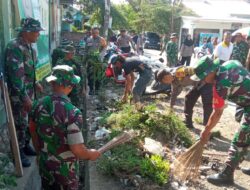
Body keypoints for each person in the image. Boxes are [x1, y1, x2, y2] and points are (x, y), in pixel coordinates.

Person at [29, 65, 100, 190]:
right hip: (65, 174)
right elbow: (77, 149)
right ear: (70, 86)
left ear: (52, 82)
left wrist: (40, 153)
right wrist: (90, 154)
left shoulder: (37, 105)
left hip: (45, 168)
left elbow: (33, 130)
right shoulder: (72, 112)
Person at [190, 56, 250, 185]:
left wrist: (206, 131)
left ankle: (226, 175)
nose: (203, 81)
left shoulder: (220, 85)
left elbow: (217, 113)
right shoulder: (231, 63)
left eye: (203, 77)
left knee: (240, 139)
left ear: (209, 72)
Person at [4, 17, 44, 167]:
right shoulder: (14, 47)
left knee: (27, 121)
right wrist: (24, 97)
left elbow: (30, 70)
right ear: (27, 32)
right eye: (36, 32)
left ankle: (26, 144)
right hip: (18, 94)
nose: (38, 35)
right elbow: (16, 76)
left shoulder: (29, 48)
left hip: (29, 90)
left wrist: (37, 82)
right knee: (19, 122)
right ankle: (18, 151)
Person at [85, 27, 107, 95]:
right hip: (90, 61)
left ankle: (97, 89)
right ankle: (91, 89)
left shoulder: (101, 39)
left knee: (98, 76)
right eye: (93, 33)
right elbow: (86, 50)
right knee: (90, 76)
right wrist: (85, 59)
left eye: (96, 33)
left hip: (98, 61)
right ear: (91, 32)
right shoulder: (88, 39)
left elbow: (104, 48)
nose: (95, 34)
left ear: (98, 33)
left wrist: (100, 56)